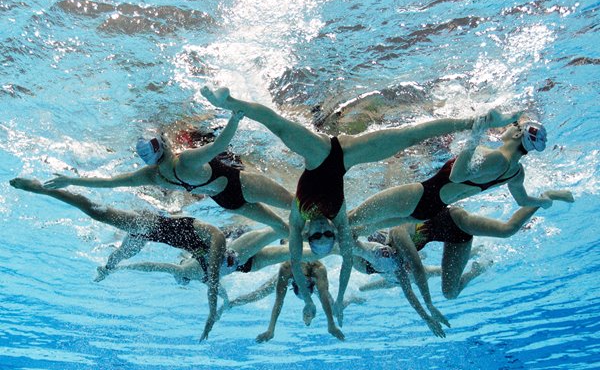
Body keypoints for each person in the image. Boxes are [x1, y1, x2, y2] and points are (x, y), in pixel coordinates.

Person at [200, 86, 519, 327]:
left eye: (319, 235)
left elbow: (296, 265)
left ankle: (227, 102)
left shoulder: (297, 220)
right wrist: (337, 301)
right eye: (329, 235)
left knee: (279, 126)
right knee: (412, 134)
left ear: (310, 235)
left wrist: (309, 300)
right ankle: (480, 121)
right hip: (346, 157)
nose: (324, 229)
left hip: (318, 155)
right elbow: (348, 263)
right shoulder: (340, 221)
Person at [10, 177, 225, 341]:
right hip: (151, 222)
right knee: (99, 213)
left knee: (121, 254)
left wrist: (223, 305)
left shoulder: (202, 257)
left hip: (150, 231)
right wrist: (212, 314)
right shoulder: (216, 239)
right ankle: (41, 188)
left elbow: (213, 283)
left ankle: (106, 269)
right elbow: (213, 282)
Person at [43, 111, 293, 237]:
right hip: (241, 185)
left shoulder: (151, 176)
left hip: (228, 202)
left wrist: (70, 180)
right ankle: (332, 226)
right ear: (164, 144)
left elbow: (109, 182)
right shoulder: (185, 161)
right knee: (297, 204)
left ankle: (301, 246)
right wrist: (236, 117)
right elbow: (219, 145)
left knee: (278, 226)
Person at [359, 189, 574, 303]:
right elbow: (401, 277)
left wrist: (429, 309)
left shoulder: (397, 233)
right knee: (450, 293)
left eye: (390, 256)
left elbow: (417, 269)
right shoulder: (394, 263)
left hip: (455, 219)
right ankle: (475, 271)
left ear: (386, 246)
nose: (394, 260)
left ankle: (547, 196)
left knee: (507, 230)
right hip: (456, 240)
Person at [348, 117, 554, 233]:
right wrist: (543, 201)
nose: (509, 127)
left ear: (518, 134)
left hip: (418, 196)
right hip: (429, 210)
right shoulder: (516, 172)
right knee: (357, 231)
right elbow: (523, 200)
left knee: (350, 220)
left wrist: (475, 136)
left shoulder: (496, 158)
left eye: (514, 125)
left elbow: (457, 175)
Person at [221, 260, 364, 342]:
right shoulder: (287, 269)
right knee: (259, 293)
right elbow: (278, 301)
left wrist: (331, 324)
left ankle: (349, 300)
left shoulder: (318, 270)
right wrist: (271, 329)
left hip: (310, 286)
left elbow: (325, 297)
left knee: (334, 309)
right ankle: (231, 303)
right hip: (294, 279)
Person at [352, 234, 450, 338]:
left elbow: (447, 271)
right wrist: (427, 317)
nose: (408, 266)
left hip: (389, 279)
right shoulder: (397, 263)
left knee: (363, 288)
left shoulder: (421, 271)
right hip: (388, 274)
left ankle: (353, 297)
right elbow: (408, 292)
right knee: (363, 287)